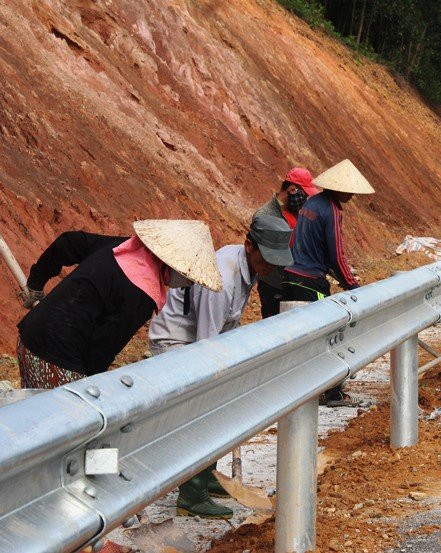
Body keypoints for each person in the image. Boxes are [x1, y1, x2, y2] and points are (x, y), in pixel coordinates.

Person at [148, 215, 293, 519]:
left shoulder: (246, 267)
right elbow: (206, 346)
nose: (271, 267)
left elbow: (227, 328)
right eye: (267, 259)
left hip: (200, 338)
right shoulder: (223, 281)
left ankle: (206, 476)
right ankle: (192, 493)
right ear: (249, 245)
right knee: (201, 411)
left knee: (216, 407)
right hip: (177, 342)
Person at [16, 220, 221, 389]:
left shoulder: (122, 248)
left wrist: (36, 281)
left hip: (29, 337)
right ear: (174, 265)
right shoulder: (143, 293)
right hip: (55, 361)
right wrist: (88, 387)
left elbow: (68, 242)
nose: (190, 282)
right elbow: (101, 347)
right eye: (189, 276)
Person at [283, 159, 375, 406]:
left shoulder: (311, 203)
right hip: (312, 280)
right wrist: (353, 286)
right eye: (350, 190)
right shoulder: (332, 210)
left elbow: (307, 244)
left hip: (293, 274)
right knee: (333, 333)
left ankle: (299, 388)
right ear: (340, 189)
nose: (353, 195)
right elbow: (337, 253)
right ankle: (331, 392)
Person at [253, 167, 318, 317]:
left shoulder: (300, 212)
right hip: (274, 283)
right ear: (293, 189)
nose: (305, 199)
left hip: (295, 282)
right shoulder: (265, 216)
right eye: (304, 194)